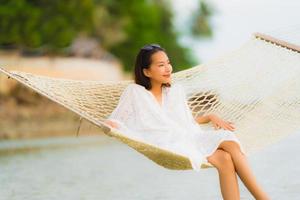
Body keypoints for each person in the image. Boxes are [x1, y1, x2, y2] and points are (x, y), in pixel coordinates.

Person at [104, 44, 270, 200]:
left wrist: (210, 116)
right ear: (146, 72)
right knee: (226, 151)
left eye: (168, 63)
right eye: (161, 65)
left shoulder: (175, 91)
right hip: (163, 142)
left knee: (226, 152)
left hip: (187, 136)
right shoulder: (135, 92)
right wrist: (111, 126)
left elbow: (185, 122)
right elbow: (117, 120)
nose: (168, 68)